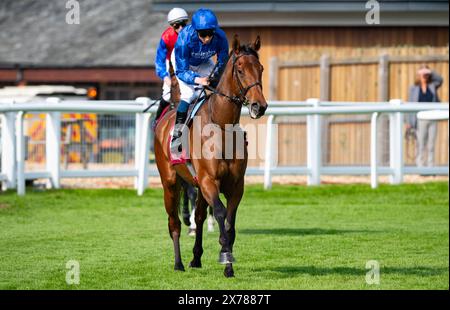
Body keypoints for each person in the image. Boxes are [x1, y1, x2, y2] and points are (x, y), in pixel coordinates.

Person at [170, 8, 229, 154]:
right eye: (203, 34)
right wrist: (198, 80)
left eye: (210, 33)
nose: (208, 38)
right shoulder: (184, 39)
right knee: (188, 95)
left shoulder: (221, 37)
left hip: (203, 62)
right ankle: (177, 136)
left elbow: (222, 62)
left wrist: (214, 77)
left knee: (220, 88)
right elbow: (181, 71)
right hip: (184, 65)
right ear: (196, 31)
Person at [153, 8, 189, 125]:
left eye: (183, 24)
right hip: (171, 65)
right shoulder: (167, 37)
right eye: (176, 26)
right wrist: (165, 77)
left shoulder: (192, 34)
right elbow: (160, 60)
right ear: (171, 26)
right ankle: (158, 120)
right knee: (167, 95)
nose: (181, 29)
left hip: (188, 63)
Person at [407, 65, 443, 167]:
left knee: (431, 145)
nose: (424, 75)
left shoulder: (432, 86)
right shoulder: (413, 88)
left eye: (426, 73)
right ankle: (420, 166)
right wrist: (409, 122)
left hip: (433, 117)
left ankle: (430, 167)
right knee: (420, 143)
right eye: (422, 73)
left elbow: (440, 79)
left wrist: (430, 71)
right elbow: (410, 104)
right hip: (420, 119)